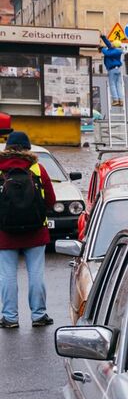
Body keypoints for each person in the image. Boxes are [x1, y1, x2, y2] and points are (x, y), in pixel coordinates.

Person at [0, 131, 57, 329]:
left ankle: (10, 318)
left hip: (4, 233)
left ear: (7, 148)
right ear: (28, 148)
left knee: (7, 275)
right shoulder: (38, 169)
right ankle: (39, 315)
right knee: (36, 274)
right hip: (36, 232)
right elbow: (51, 200)